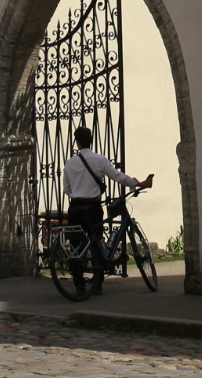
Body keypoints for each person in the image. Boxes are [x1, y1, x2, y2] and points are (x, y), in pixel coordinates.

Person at [63, 124, 151, 297]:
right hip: (93, 207)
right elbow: (117, 176)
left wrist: (78, 193)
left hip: (75, 207)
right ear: (91, 140)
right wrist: (136, 183)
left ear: (77, 142)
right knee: (96, 242)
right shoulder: (99, 160)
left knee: (75, 246)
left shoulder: (70, 163)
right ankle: (97, 284)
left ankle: (79, 285)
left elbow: (67, 188)